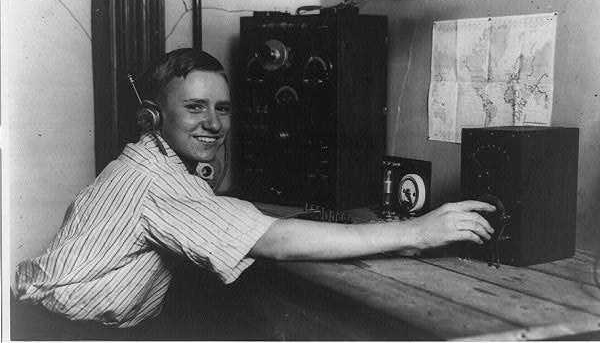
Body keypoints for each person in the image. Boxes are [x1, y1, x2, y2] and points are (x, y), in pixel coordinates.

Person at [12, 48, 495, 338]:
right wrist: (420, 230)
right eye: (195, 108)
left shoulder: (152, 162)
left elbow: (216, 195)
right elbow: (275, 240)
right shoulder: (153, 181)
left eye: (223, 109)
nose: (214, 123)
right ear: (153, 117)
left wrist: (205, 146)